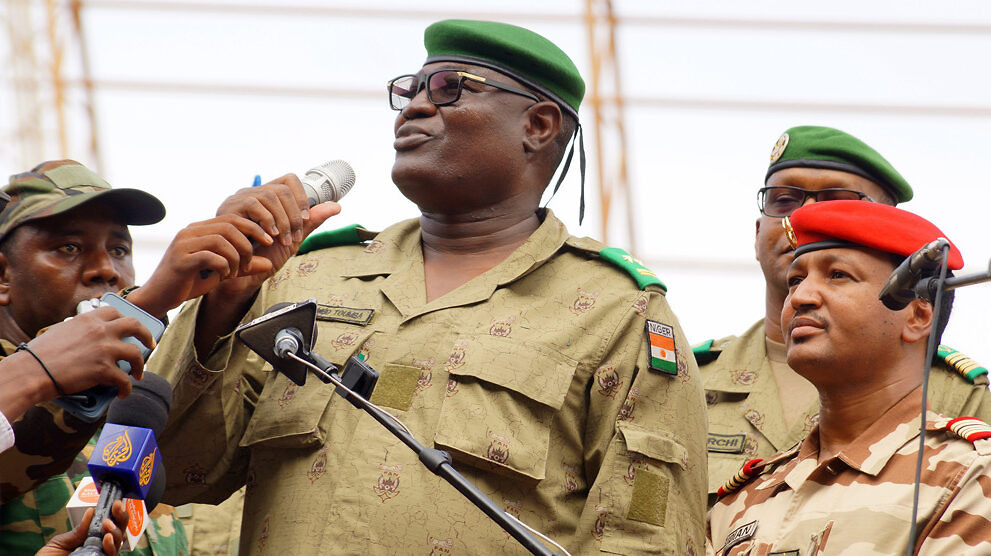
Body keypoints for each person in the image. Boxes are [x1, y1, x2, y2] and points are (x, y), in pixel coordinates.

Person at [151, 19, 708, 554]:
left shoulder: (618, 314)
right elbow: (173, 473)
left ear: (537, 126)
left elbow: (644, 537)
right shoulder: (304, 277)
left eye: (448, 88)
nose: (415, 106)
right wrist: (224, 304)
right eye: (410, 90)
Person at [695, 125, 990, 500]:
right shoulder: (691, 380)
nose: (803, 217)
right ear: (756, 233)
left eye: (839, 202)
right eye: (783, 200)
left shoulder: (948, 389)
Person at [0, 159, 260, 551]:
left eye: (119, 249)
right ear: (3, 276)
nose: (105, 269)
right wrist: (148, 302)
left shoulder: (139, 404)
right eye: (69, 248)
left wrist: (227, 299)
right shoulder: (15, 394)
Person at [707, 200, 991, 554]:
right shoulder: (742, 500)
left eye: (838, 275)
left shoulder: (970, 477)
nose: (801, 297)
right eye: (795, 280)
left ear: (918, 316)